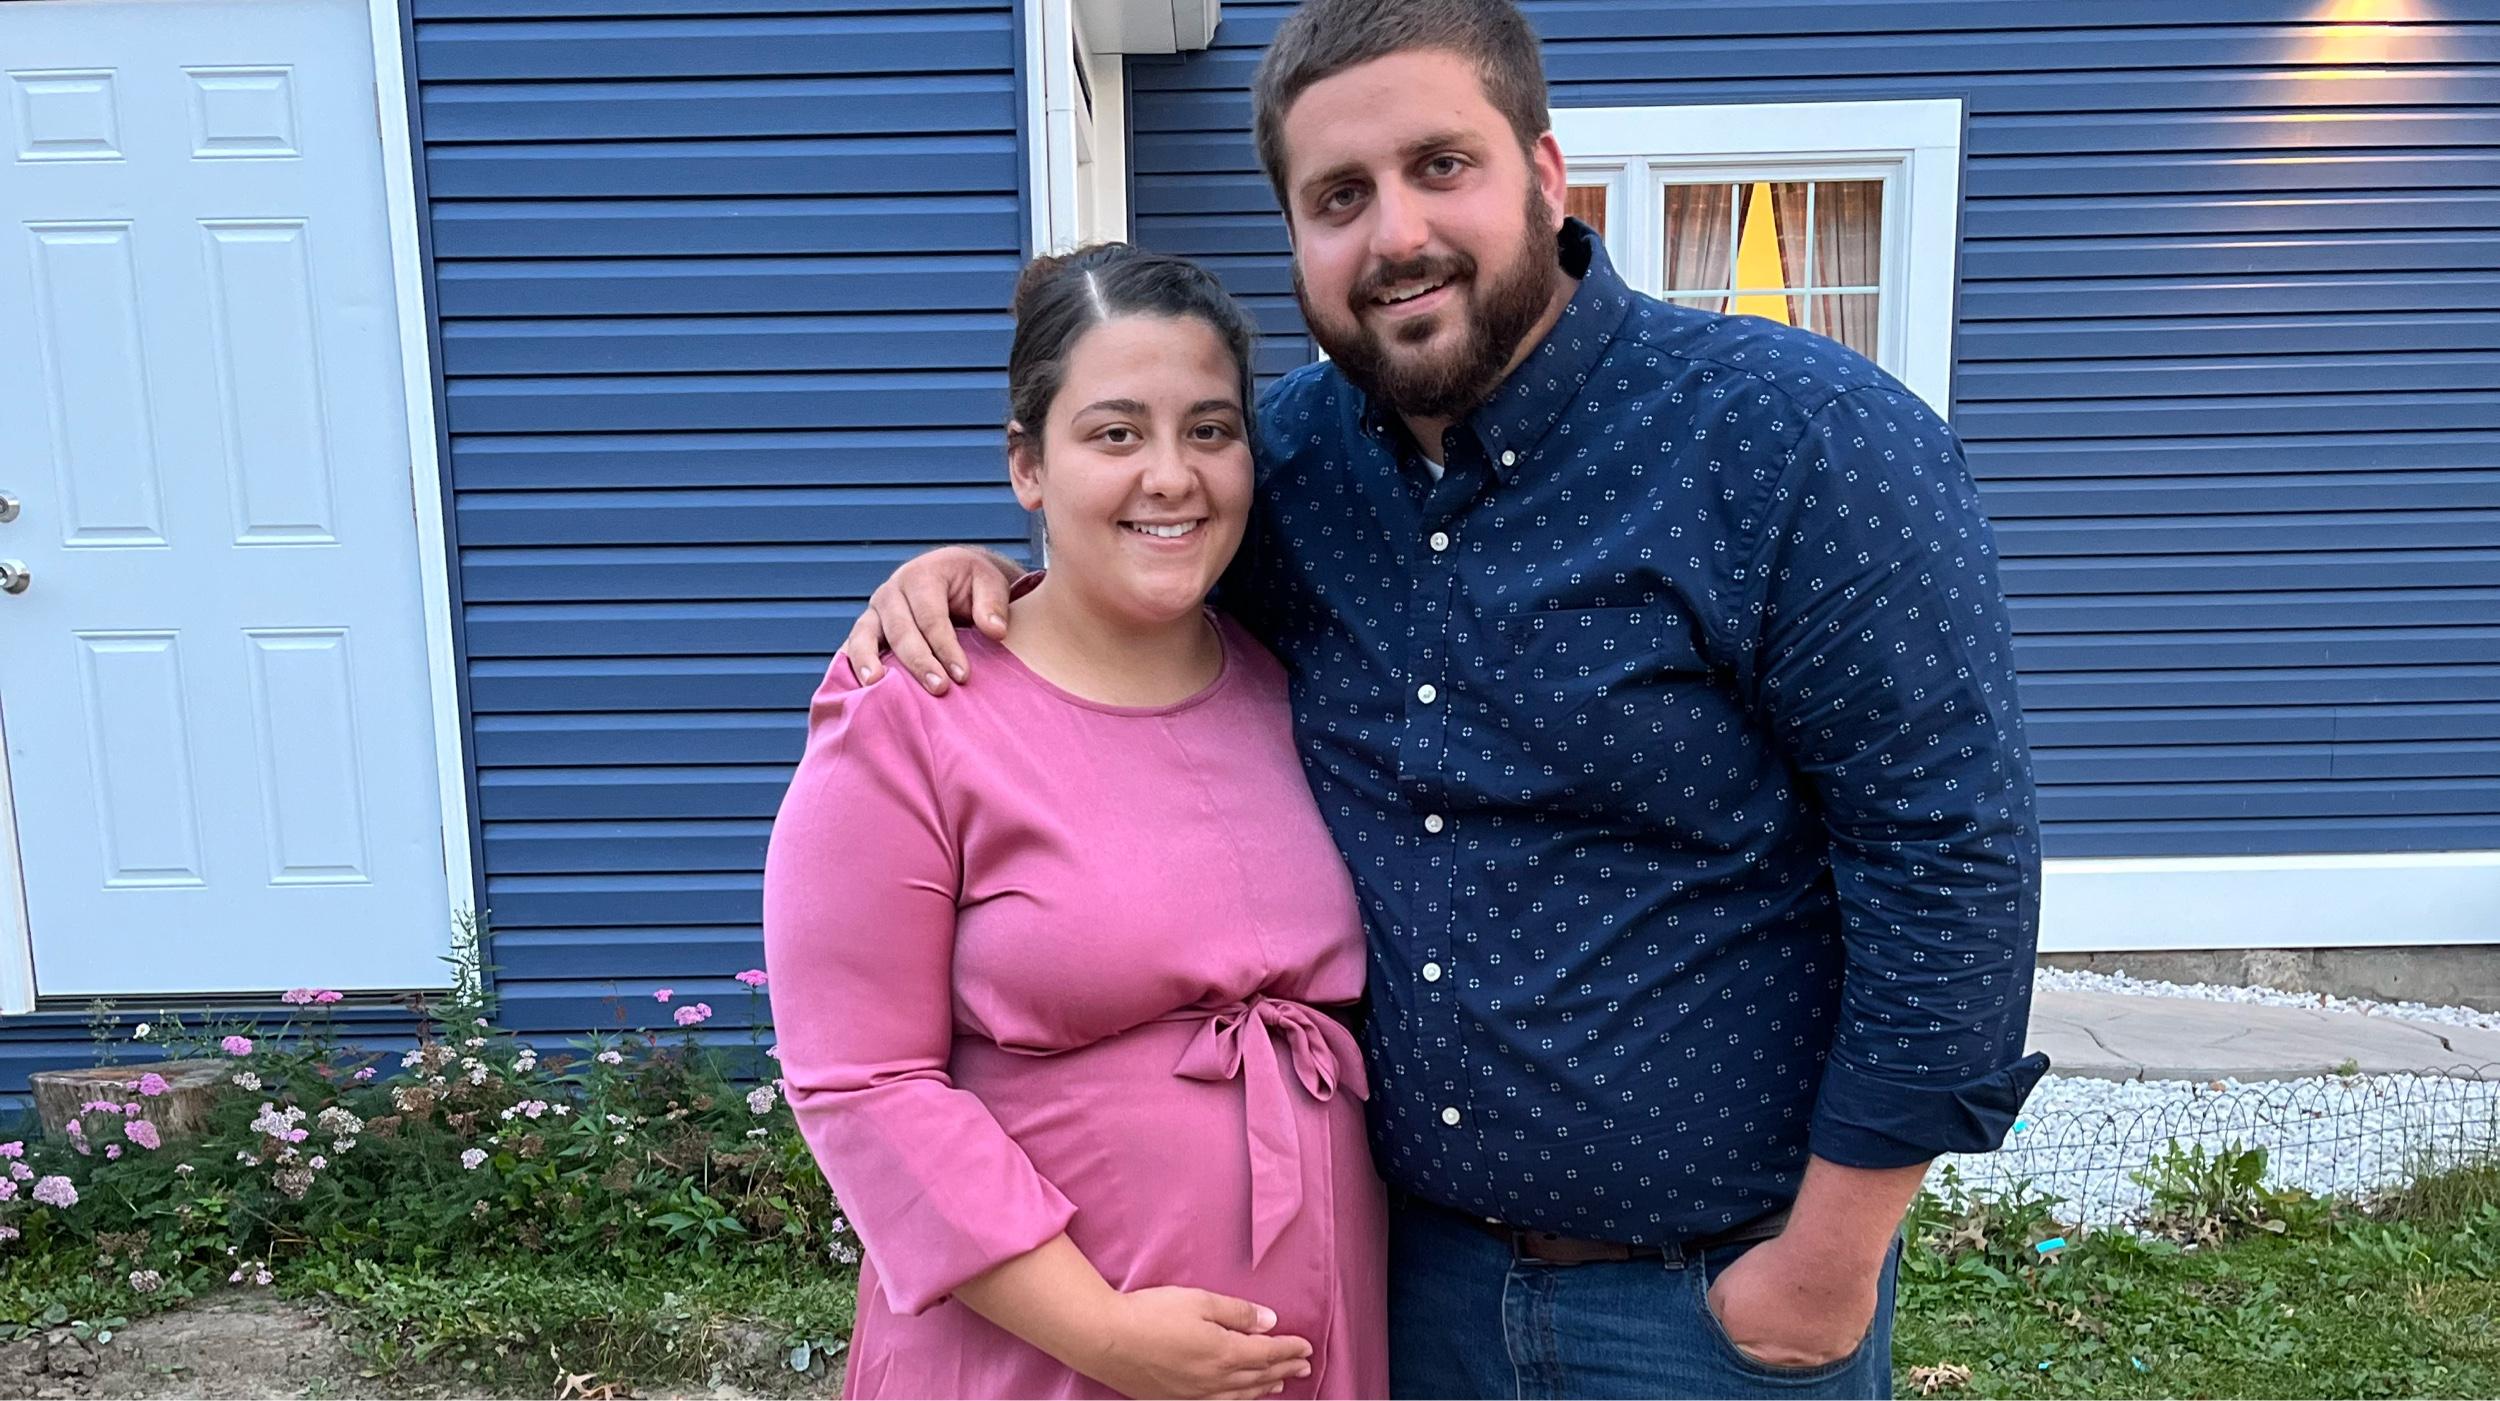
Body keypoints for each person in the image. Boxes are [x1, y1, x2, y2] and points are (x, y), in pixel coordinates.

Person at [842, 1, 2049, 1395]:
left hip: (1707, 1302)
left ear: (1543, 173)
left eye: (1440, 166)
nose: (1395, 234)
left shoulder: (1799, 442)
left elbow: (1946, 857)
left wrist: (1828, 1265)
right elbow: (1134, 571)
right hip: (1396, 1288)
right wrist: (982, 576)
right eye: (1338, 197)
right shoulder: (1282, 472)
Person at [764, 244, 1389, 1400]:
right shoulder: (912, 712)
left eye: (1209, 430)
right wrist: (1099, 1332)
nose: (1171, 476)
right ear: (1027, 464)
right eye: (1115, 434)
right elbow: (861, 1083)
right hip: (1037, 1354)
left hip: (1306, 1337)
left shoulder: (1292, 684)